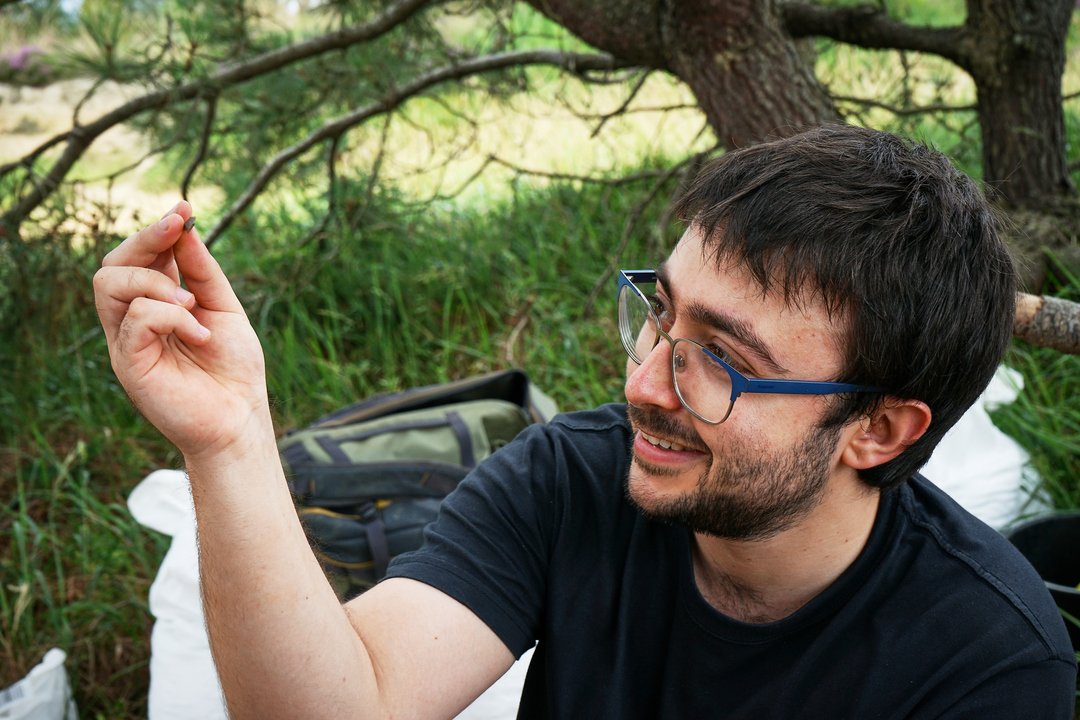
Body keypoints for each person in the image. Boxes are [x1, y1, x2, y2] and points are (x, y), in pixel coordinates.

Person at [94, 124, 1076, 719]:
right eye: (662, 315)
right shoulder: (576, 477)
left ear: (880, 432)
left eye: (724, 361)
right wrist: (227, 437)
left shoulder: (985, 662)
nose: (647, 384)